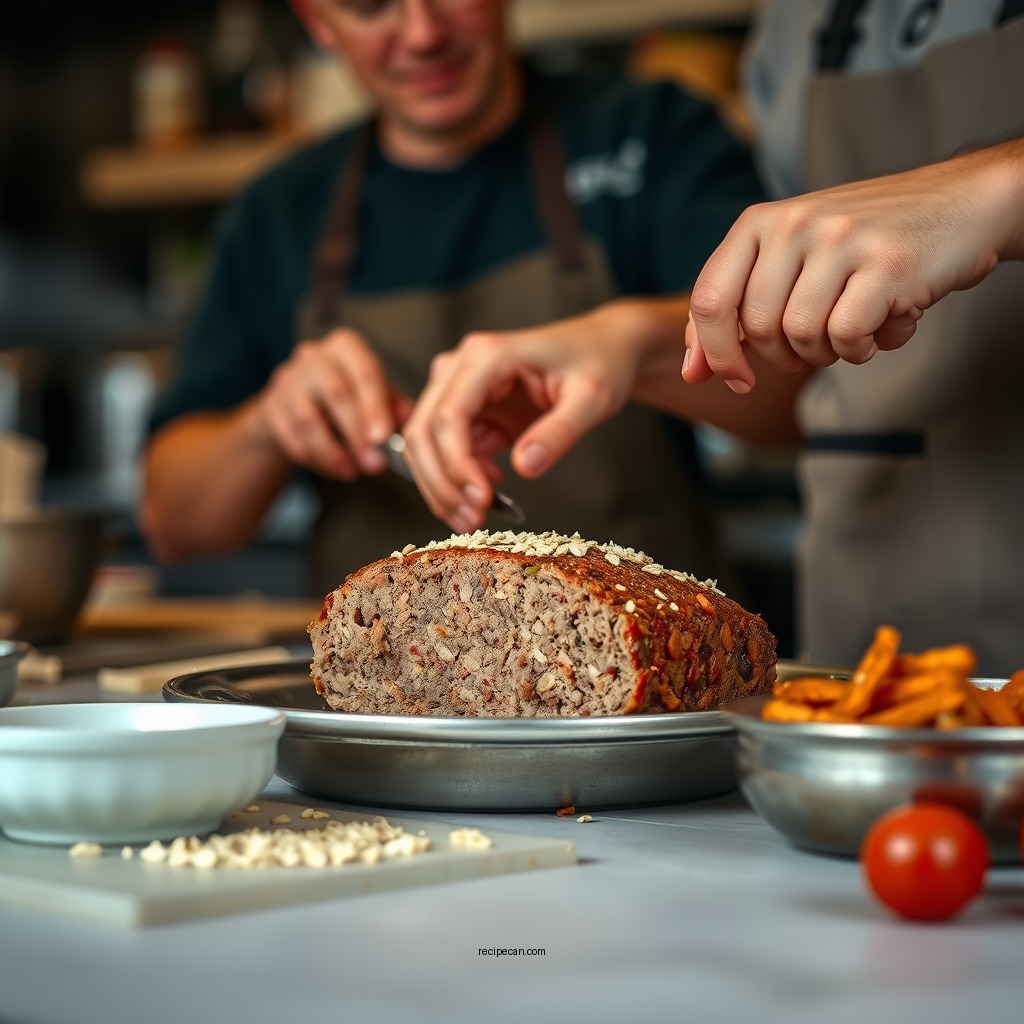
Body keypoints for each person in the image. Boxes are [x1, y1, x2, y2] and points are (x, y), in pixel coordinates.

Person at [400, 1, 1024, 676]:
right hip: (871, 616)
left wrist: (993, 187)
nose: (420, 30)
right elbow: (800, 369)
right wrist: (635, 340)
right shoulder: (793, 28)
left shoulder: (656, 122)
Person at [140, 0, 766, 598]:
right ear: (318, 22)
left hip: (656, 684)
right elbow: (173, 523)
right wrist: (268, 424)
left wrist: (631, 344)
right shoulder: (278, 214)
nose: (422, 34)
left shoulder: (651, 133)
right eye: (370, 6)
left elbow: (795, 403)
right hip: (380, 699)